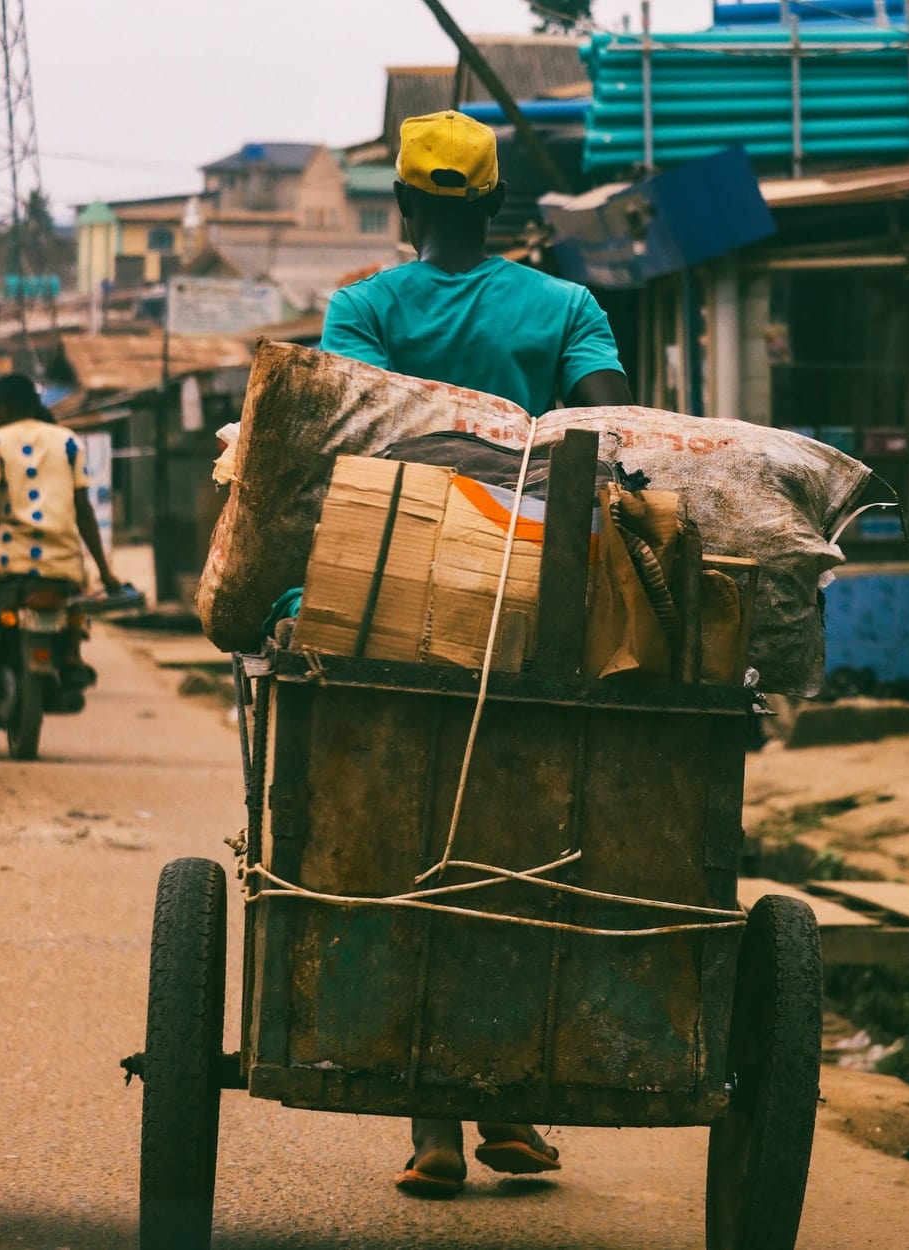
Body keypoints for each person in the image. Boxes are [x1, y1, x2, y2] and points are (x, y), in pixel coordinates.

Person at [320, 110, 633, 1199]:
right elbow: (609, 431)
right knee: (526, 842)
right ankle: (505, 1104)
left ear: (404, 207)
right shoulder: (564, 307)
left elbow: (362, 427)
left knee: (409, 844)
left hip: (387, 605)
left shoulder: (363, 306)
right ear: (498, 208)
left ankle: (438, 1129)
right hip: (536, 613)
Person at [0, 373, 122, 687]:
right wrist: (106, 573)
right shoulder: (68, 440)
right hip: (65, 560)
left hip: (9, 558)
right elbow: (83, 509)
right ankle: (72, 653)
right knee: (83, 585)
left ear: (2, 407)